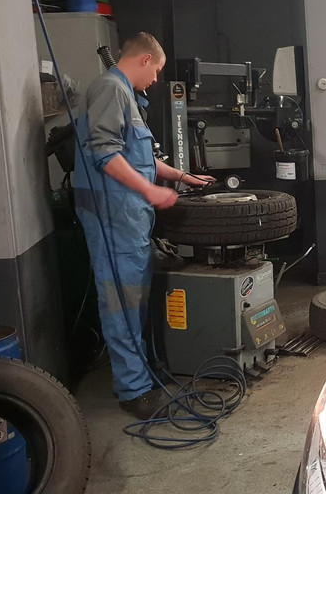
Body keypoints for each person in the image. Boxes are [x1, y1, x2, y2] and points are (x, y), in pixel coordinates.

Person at [73, 32, 214, 420]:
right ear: (146, 59)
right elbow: (105, 154)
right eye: (157, 72)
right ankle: (133, 391)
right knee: (122, 302)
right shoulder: (110, 89)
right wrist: (151, 191)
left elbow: (141, 157)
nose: (155, 81)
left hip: (128, 217)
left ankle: (145, 373)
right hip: (112, 216)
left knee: (135, 301)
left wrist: (183, 177)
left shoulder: (126, 95)